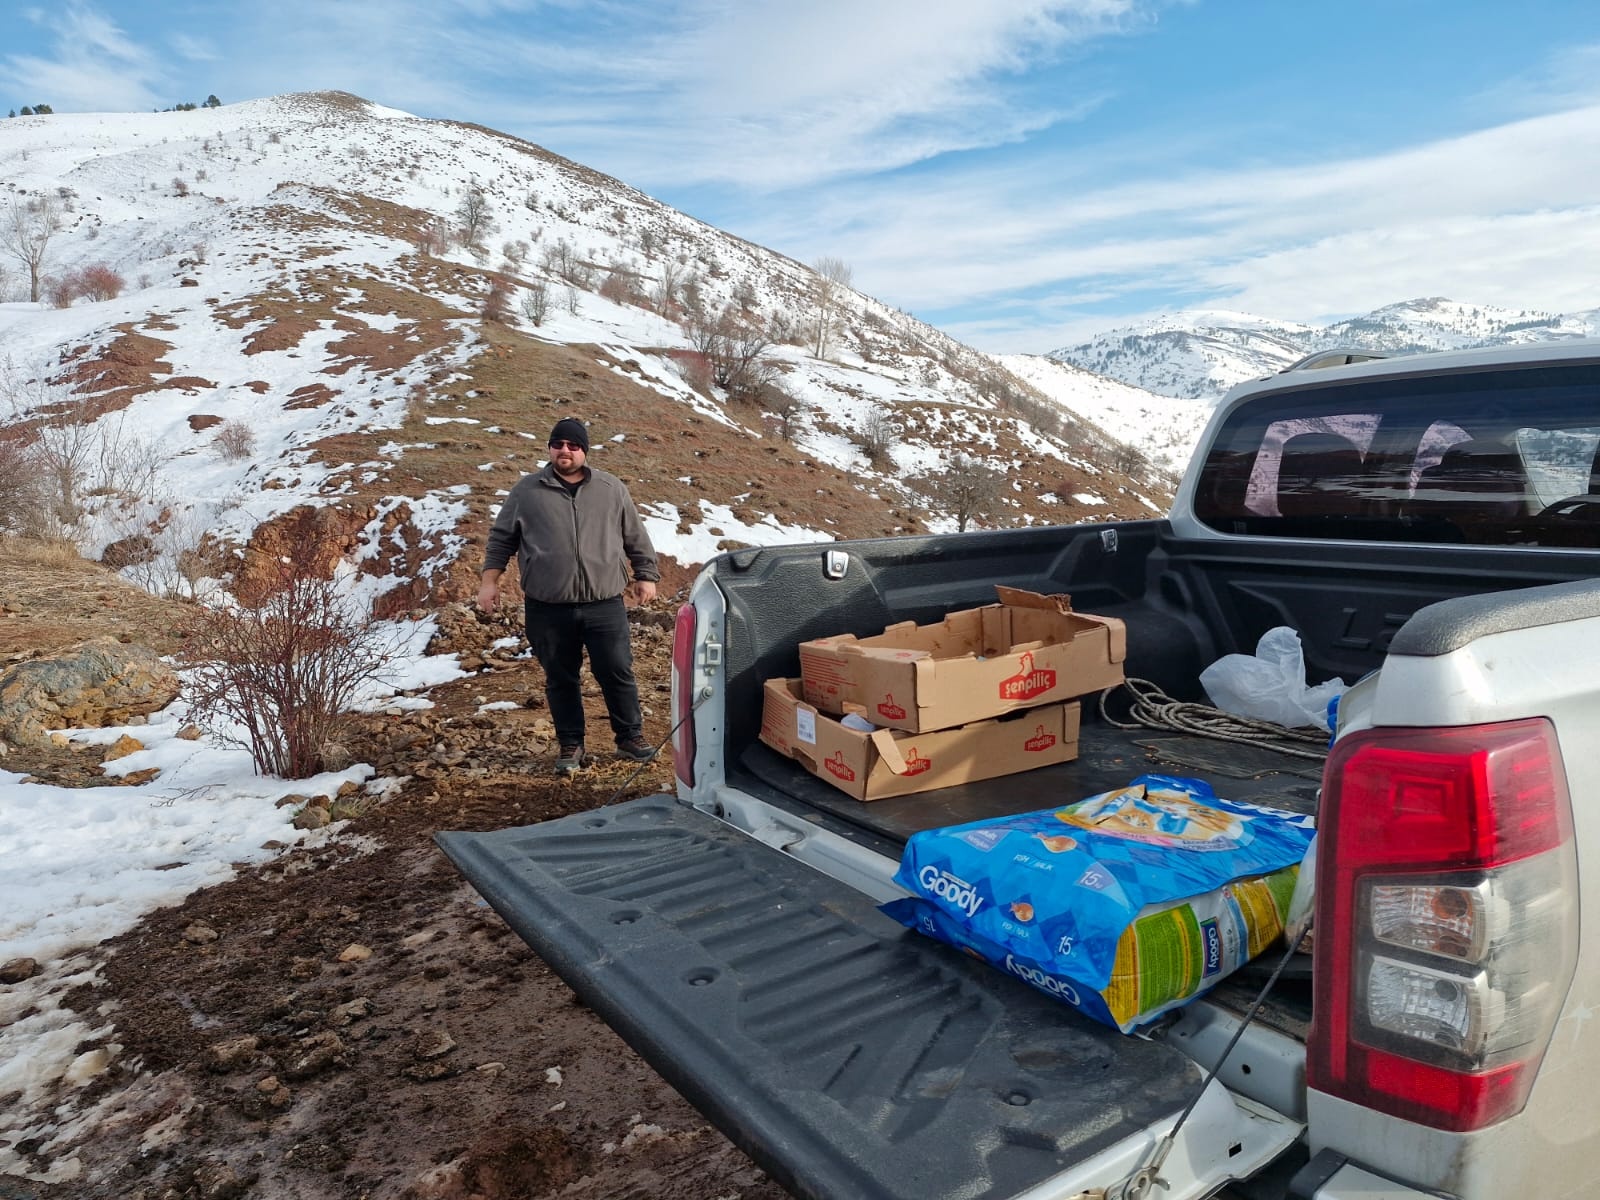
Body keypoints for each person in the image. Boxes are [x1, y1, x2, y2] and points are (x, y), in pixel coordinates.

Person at [477, 417, 661, 774]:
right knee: (561, 677)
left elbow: (634, 535)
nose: (565, 450)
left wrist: (646, 575)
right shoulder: (526, 491)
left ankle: (629, 737)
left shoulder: (611, 489)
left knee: (617, 670)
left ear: (584, 451)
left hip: (604, 602)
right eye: (558, 443)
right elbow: (502, 539)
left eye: (573, 445)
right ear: (549, 448)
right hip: (547, 606)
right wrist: (489, 582)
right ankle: (571, 744)